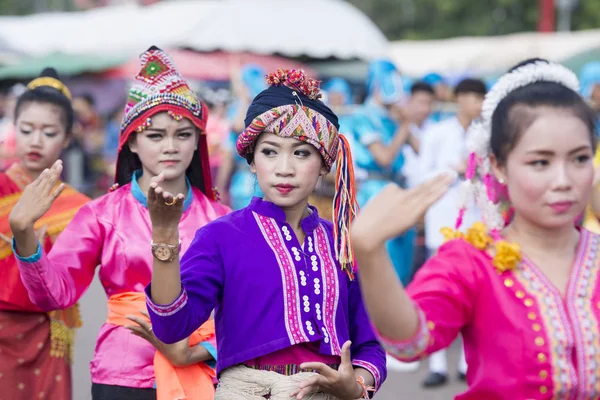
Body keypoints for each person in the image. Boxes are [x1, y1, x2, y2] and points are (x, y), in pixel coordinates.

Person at [353, 59, 600, 399]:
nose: (563, 181)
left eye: (579, 159)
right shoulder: (471, 261)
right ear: (497, 165)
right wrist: (369, 252)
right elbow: (410, 344)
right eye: (540, 162)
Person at [145, 68, 387, 400]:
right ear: (252, 161)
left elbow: (369, 345)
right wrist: (165, 240)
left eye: (301, 153)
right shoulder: (220, 237)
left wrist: (355, 385)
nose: (283, 168)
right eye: (270, 151)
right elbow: (171, 326)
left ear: (324, 164)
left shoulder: (341, 243)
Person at [9, 47, 230, 400]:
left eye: (183, 135)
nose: (170, 147)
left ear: (197, 143)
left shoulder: (220, 219)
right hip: (124, 375)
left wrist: (200, 351)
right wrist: (25, 240)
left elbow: (240, 309)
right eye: (155, 136)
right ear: (133, 144)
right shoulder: (102, 214)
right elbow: (57, 293)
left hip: (203, 370)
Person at [0, 68, 90, 400]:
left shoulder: (79, 207)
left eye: (49, 132)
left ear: (67, 138)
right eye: (26, 130)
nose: (36, 140)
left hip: (46, 329)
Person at [418, 78, 487, 387]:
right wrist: (454, 171)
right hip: (444, 218)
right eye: (473, 97)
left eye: (481, 97)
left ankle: (464, 362)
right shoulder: (437, 132)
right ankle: (437, 363)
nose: (478, 103)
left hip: (477, 220)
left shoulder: (487, 135)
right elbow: (421, 173)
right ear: (460, 98)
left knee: (475, 291)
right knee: (439, 290)